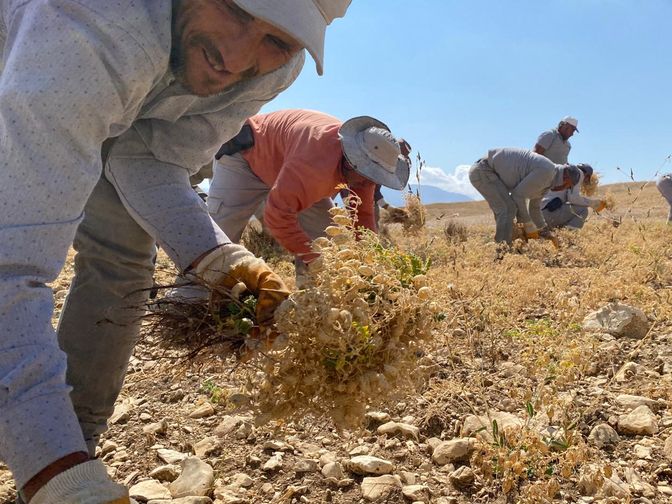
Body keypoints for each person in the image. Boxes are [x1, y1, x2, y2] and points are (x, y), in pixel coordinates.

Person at [0, 1, 350, 502]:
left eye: (277, 39)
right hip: (35, 76)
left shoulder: (279, 64)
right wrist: (51, 470)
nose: (234, 58)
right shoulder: (90, 22)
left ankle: (73, 436)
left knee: (123, 267)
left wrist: (218, 259)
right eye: (234, 7)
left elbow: (146, 157)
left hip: (102, 98)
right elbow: (9, 268)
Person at [207, 110, 410, 273]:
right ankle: (194, 297)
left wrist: (370, 262)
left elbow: (363, 216)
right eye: (368, 174)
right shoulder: (314, 162)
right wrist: (312, 258)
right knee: (217, 240)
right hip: (246, 158)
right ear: (352, 161)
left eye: (375, 176)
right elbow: (277, 216)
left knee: (326, 242)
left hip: (290, 170)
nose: (369, 182)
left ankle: (311, 303)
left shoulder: (363, 177)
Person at [469, 148, 577, 244]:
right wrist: (528, 225)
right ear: (566, 177)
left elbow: (534, 207)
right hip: (483, 170)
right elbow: (517, 196)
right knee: (507, 209)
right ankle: (502, 251)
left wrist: (544, 231)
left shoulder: (549, 179)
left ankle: (507, 246)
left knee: (509, 208)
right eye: (568, 186)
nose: (565, 189)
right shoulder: (547, 172)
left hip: (488, 170)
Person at [541, 163, 607, 229]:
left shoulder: (565, 170)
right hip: (547, 214)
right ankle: (568, 234)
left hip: (538, 215)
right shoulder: (578, 174)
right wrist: (594, 204)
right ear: (586, 175)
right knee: (583, 210)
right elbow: (573, 199)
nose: (584, 182)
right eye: (587, 180)